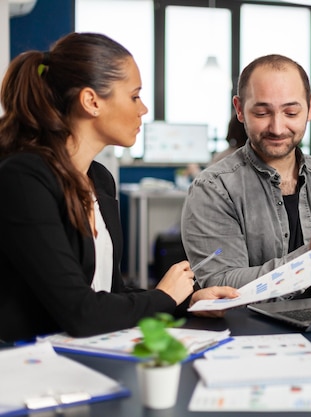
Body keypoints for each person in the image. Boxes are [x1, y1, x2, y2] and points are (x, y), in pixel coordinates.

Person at [0, 32, 238, 345]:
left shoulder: (99, 178)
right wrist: (164, 297)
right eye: (134, 96)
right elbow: (81, 313)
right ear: (91, 101)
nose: (144, 110)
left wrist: (187, 301)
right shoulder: (24, 178)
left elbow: (110, 295)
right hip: (32, 366)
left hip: (86, 353)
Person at [182, 54, 311, 297]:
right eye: (262, 113)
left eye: (290, 113)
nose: (277, 128)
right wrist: (309, 256)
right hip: (248, 331)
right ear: (239, 109)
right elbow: (221, 282)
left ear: (309, 107)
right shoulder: (214, 188)